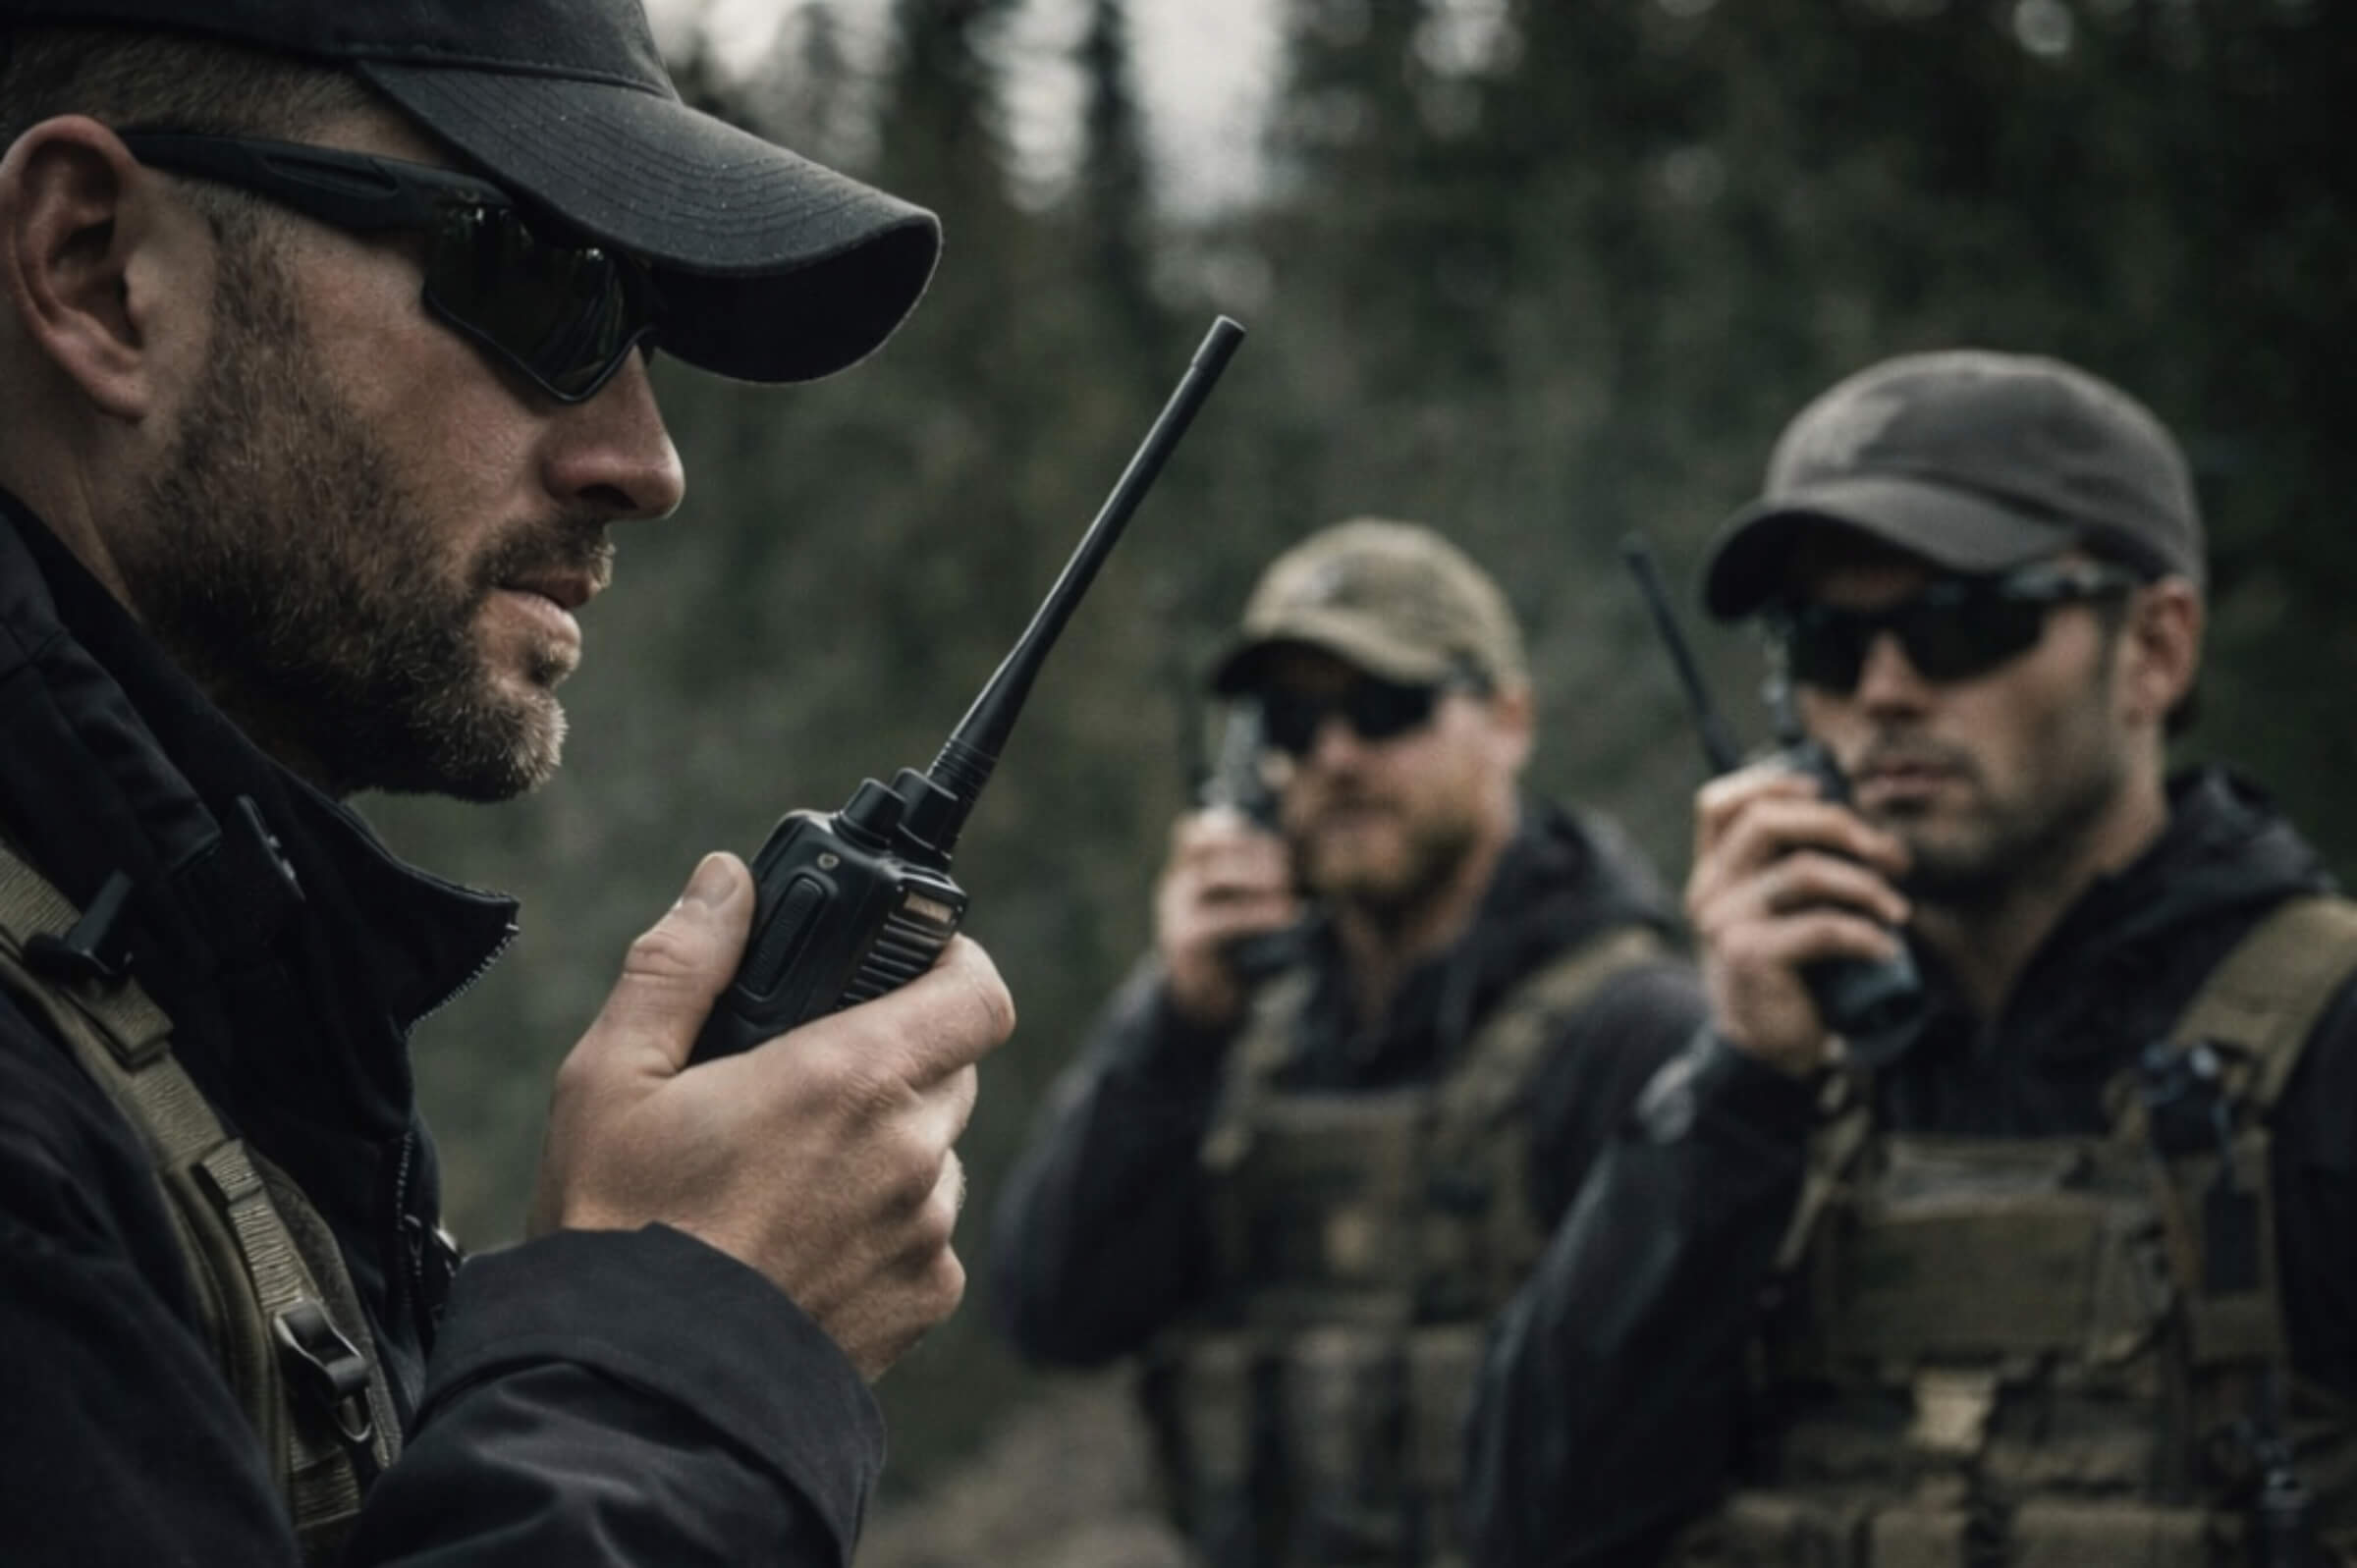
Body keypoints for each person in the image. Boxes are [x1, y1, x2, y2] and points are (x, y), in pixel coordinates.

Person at [0, 4, 1015, 1564]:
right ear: (97, 273)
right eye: (537, 279)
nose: (644, 458)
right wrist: (676, 1350)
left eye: (645, 334)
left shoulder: (170, 981)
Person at [1464, 351, 2357, 1566]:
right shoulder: (1757, 1071)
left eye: (1964, 623)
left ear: (2153, 648)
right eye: (1826, 643)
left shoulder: (2325, 1043)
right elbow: (1537, 1526)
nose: (1884, 693)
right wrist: (1740, 1088)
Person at [993, 518, 1709, 1567]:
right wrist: (1177, 1019)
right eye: (1291, 721)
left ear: (1509, 719)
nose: (1335, 757)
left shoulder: (1633, 1031)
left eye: (1386, 708)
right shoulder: (1227, 1026)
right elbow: (1056, 1313)